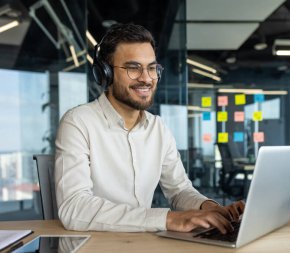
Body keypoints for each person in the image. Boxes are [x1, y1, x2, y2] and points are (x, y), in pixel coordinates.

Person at [55, 23, 244, 233]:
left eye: (152, 68)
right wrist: (169, 219)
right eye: (133, 68)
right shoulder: (78, 122)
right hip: (96, 244)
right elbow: (74, 208)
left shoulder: (158, 128)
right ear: (105, 73)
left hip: (142, 243)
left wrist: (210, 208)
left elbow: (179, 190)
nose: (146, 78)